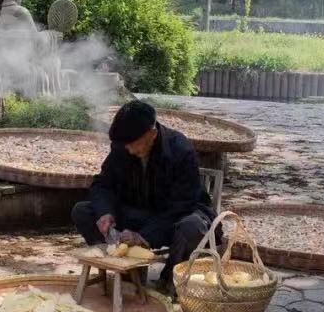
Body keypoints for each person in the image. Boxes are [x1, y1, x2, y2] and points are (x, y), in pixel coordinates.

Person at [72, 100, 216, 294]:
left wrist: (145, 236)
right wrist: (105, 213)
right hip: (138, 212)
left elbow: (182, 204)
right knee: (83, 211)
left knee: (193, 227)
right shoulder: (122, 147)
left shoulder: (180, 150)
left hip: (174, 217)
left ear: (152, 134)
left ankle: (169, 280)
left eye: (134, 146)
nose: (129, 151)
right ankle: (128, 272)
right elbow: (103, 184)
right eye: (126, 146)